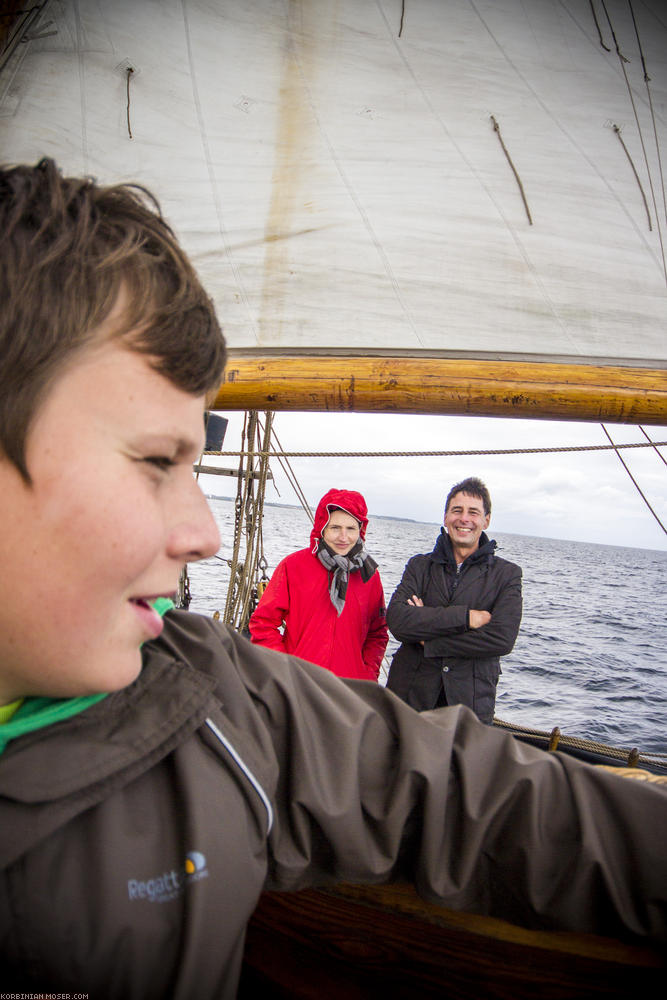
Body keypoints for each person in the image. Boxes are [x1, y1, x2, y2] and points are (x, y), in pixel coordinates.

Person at [0, 160, 665, 998]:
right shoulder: (321, 593)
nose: (203, 535)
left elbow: (463, 780)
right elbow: (340, 622)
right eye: (154, 461)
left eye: (196, 468)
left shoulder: (218, 706)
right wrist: (409, 634)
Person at [386, 478, 521, 723]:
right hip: (408, 700)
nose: (464, 519)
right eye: (457, 510)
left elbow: (502, 638)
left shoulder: (507, 574)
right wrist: (468, 618)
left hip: (469, 708)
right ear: (446, 516)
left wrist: (430, 640)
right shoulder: (420, 565)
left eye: (473, 512)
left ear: (486, 520)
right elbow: (398, 620)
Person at [248, 488, 388, 680]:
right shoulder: (293, 566)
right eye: (335, 527)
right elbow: (263, 623)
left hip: (350, 690)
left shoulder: (369, 575)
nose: (343, 537)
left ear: (361, 530)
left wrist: (367, 675)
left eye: (351, 529)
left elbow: (378, 633)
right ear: (322, 527)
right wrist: (283, 670)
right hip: (299, 683)